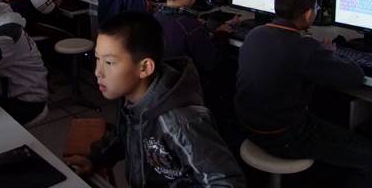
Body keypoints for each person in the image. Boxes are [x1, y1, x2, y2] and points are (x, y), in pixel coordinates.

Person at [65, 12, 245, 187]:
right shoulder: (132, 101)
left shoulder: (180, 122)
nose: (98, 72)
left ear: (145, 68)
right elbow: (125, 137)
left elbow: (227, 182)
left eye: (109, 62)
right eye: (97, 59)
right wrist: (95, 159)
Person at [235, 0, 372, 188]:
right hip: (282, 136)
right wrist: (330, 54)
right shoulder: (304, 48)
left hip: (248, 126)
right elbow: (355, 77)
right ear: (307, 14)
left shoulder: (255, 34)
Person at [153, 0, 236, 110]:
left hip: (165, 91)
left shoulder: (156, 17)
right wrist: (221, 34)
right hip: (191, 93)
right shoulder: (190, 27)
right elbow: (212, 62)